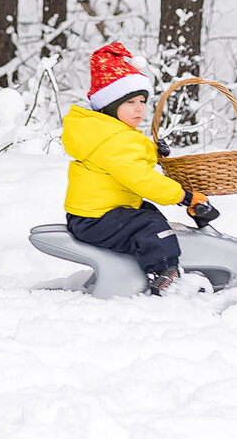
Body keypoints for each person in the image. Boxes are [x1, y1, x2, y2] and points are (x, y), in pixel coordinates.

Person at [62, 43, 219, 294]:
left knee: (150, 214)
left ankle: (148, 262)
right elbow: (140, 178)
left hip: (94, 214)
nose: (139, 108)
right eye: (130, 102)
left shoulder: (106, 132)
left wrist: (152, 151)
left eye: (142, 101)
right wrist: (184, 196)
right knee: (150, 226)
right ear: (111, 105)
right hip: (95, 219)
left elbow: (126, 157)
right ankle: (165, 276)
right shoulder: (114, 139)